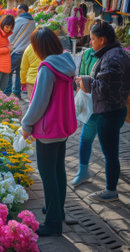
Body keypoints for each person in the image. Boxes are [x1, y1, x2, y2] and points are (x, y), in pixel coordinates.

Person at [21, 27, 77, 237]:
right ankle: (57, 210)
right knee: (58, 171)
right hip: (62, 126)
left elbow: (39, 103)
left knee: (48, 175)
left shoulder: (47, 68)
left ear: (39, 47)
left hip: (48, 129)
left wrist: (26, 125)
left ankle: (53, 222)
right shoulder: (67, 62)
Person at [77, 19, 130, 201]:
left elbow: (104, 87)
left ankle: (110, 191)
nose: (91, 42)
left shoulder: (112, 58)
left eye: (93, 39)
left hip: (109, 112)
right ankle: (111, 184)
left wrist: (87, 82)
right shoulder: (115, 53)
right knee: (111, 151)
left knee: (110, 153)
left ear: (103, 39)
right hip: (114, 109)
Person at [70, 47, 98, 187]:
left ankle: (111, 185)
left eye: (94, 39)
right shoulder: (88, 53)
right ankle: (83, 171)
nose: (91, 42)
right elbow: (81, 72)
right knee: (85, 137)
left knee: (109, 145)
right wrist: (80, 85)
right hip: (90, 101)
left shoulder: (111, 55)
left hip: (107, 106)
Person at [5, 4, 35, 99]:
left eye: (17, 10)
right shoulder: (33, 21)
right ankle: (17, 92)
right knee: (19, 72)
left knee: (8, 71)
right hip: (26, 52)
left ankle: (7, 93)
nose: (16, 12)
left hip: (17, 51)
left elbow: (11, 35)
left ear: (22, 10)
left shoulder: (20, 20)